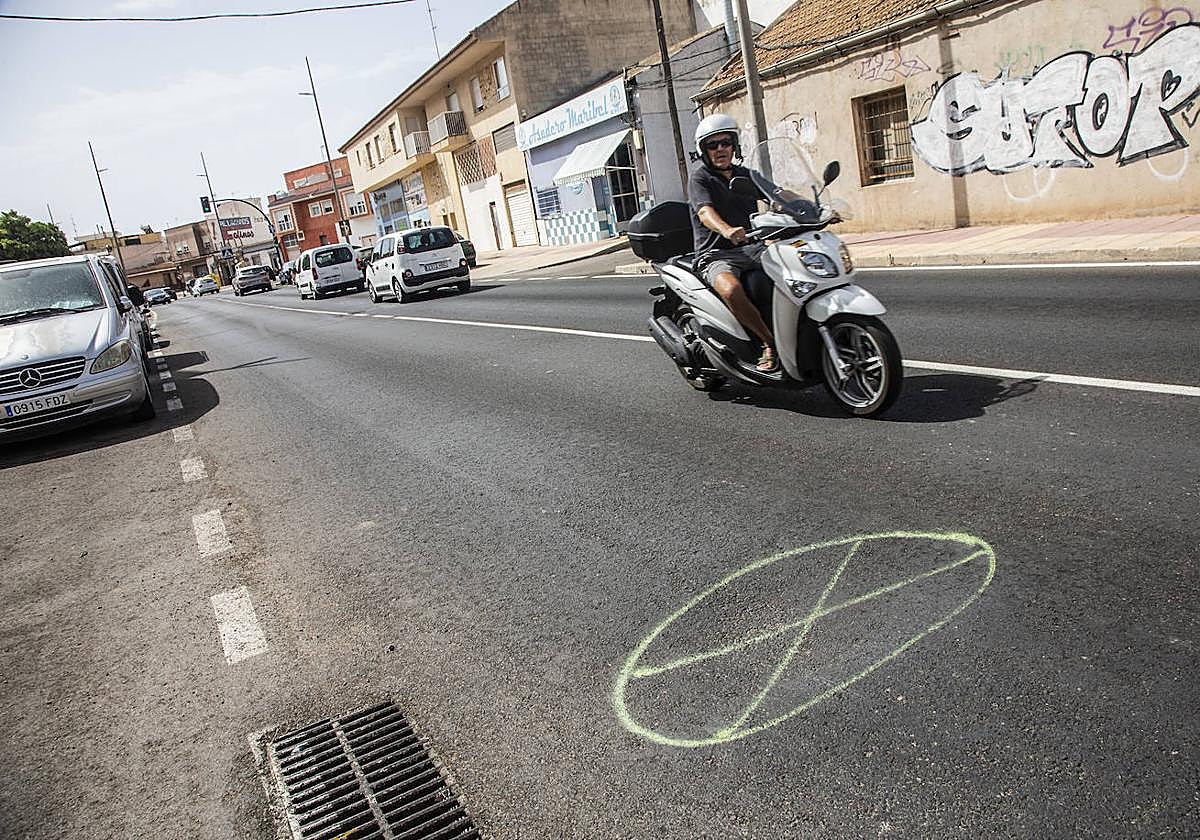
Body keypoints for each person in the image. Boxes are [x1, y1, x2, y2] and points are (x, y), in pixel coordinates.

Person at [687, 113, 778, 373]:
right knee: (731, 290)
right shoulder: (700, 179)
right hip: (716, 254)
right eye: (712, 145)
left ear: (734, 145)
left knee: (796, 273)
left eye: (725, 143)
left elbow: (777, 193)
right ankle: (768, 343)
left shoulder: (745, 174)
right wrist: (726, 230)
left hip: (753, 246)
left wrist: (813, 209)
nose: (720, 149)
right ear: (703, 151)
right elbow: (705, 212)